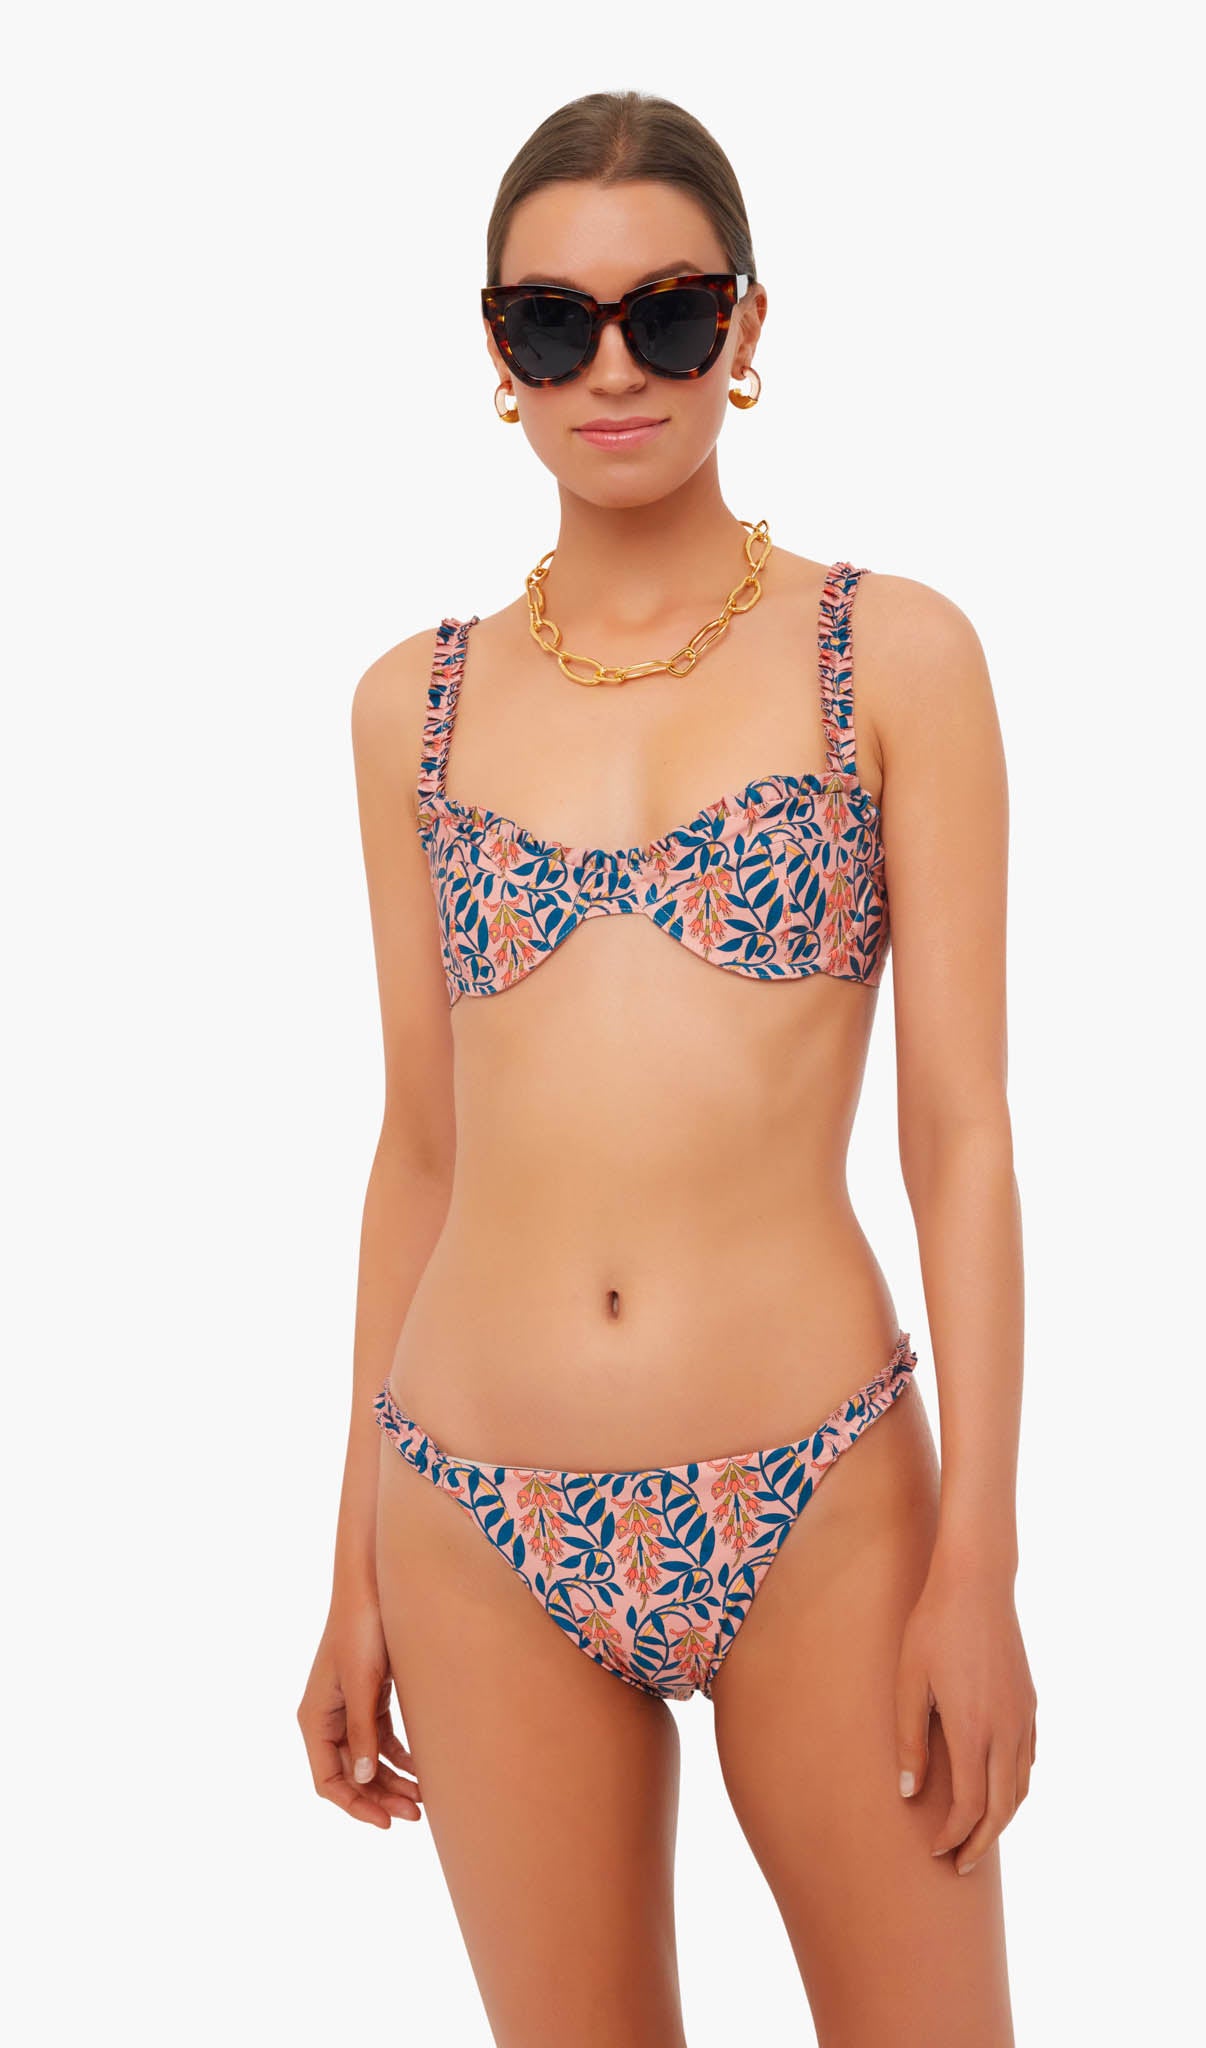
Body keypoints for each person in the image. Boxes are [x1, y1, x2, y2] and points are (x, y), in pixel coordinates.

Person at [298, 87, 1035, 2048]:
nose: (611, 368)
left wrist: (979, 1561)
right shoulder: (408, 707)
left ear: (747, 328)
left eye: (669, 313)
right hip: (469, 1505)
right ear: (496, 354)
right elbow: (418, 1147)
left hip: (821, 1491)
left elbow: (960, 1133)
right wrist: (350, 1563)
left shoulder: (889, 657)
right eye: (553, 323)